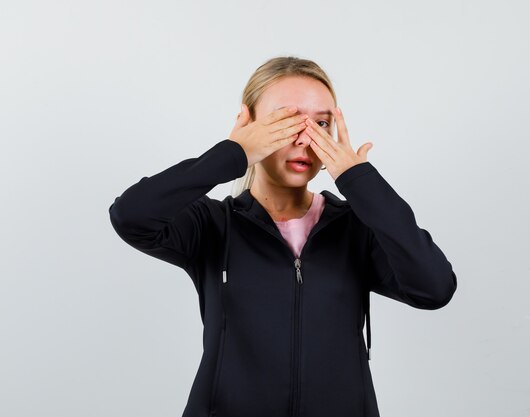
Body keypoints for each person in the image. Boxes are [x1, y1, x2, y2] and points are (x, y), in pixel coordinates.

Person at [108, 56, 457, 417]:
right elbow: (130, 215)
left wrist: (360, 182)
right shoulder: (213, 224)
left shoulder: (356, 227)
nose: (306, 138)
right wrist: (233, 153)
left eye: (321, 123)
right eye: (286, 121)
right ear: (249, 124)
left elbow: (434, 288)